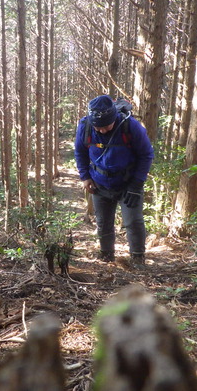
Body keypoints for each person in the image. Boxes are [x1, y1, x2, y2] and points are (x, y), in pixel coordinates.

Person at [74, 94, 154, 265]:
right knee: (103, 222)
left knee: (133, 221)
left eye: (106, 126)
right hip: (99, 183)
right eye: (98, 127)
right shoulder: (85, 127)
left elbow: (146, 155)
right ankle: (106, 255)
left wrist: (136, 183)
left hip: (128, 183)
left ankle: (138, 258)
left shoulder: (130, 126)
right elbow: (80, 152)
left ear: (114, 118)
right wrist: (85, 177)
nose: (102, 130)